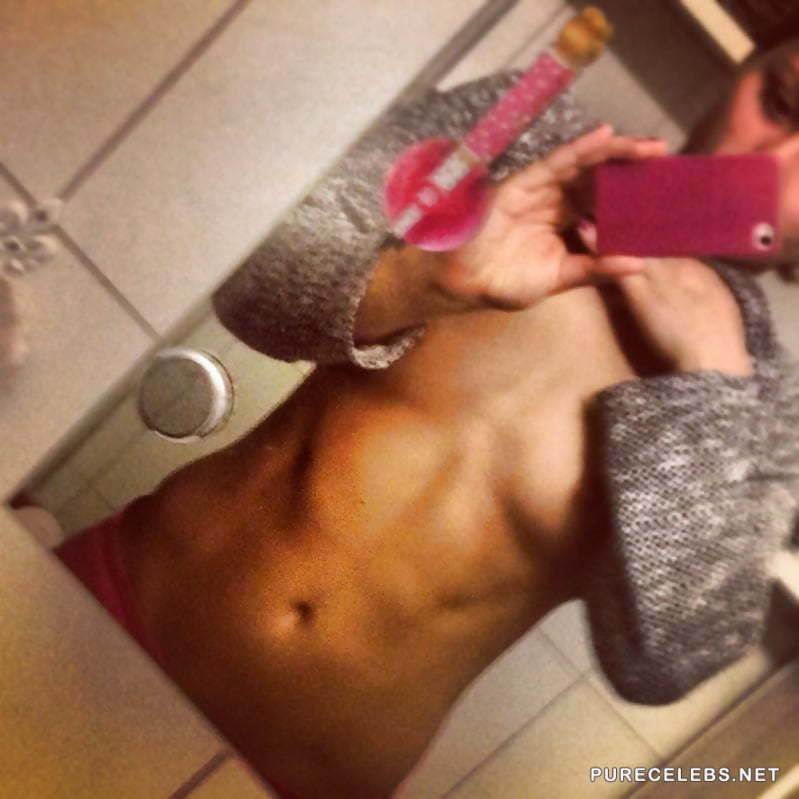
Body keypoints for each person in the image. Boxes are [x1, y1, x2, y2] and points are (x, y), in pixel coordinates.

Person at [57, 47, 799, 799]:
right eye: (781, 102)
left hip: (290, 783)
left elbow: (667, 661)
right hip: (104, 615)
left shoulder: (764, 407)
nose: (773, 165)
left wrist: (711, 380)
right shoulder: (525, 131)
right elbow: (245, 288)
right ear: (743, 68)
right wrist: (419, 281)